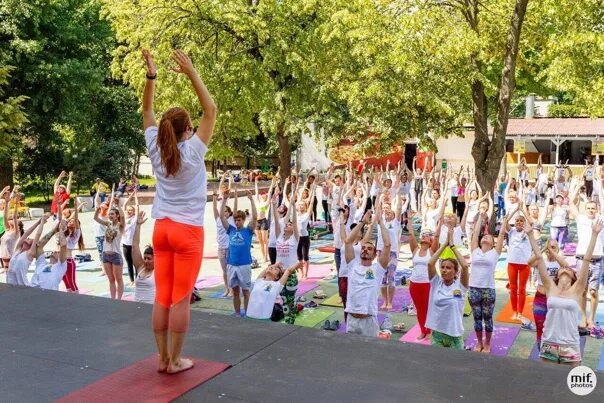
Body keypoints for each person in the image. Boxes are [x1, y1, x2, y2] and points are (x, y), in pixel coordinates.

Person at [142, 48, 217, 374]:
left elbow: (146, 109)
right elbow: (211, 109)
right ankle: (175, 361)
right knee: (181, 297)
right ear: (188, 129)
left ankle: (162, 359)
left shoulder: (156, 149)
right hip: (187, 232)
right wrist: (191, 73)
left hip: (161, 230)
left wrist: (152, 76)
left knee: (163, 294)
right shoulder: (194, 152)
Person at [528, 219, 601, 366]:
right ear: (557, 275)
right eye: (563, 268)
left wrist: (594, 234)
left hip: (571, 344)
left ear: (575, 277)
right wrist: (530, 234)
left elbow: (586, 260)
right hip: (549, 342)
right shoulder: (550, 287)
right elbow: (539, 258)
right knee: (546, 381)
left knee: (572, 385)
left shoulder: (577, 289)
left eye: (569, 269)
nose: (566, 268)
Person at [344, 207, 391, 337]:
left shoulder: (378, 269)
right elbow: (348, 241)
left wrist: (380, 223)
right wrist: (362, 222)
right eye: (363, 248)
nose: (365, 250)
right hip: (352, 320)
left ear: (375, 254)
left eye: (369, 249)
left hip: (368, 321)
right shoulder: (352, 265)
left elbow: (387, 245)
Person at [425, 227, 470, 349]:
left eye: (448, 268)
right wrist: (444, 245)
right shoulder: (436, 283)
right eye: (443, 267)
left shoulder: (460, 286)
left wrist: (453, 246)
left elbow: (465, 266)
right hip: (437, 333)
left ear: (455, 272)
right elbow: (430, 263)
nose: (444, 270)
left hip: (455, 334)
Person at [468, 214, 505, 353]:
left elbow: (501, 235)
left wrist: (506, 220)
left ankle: (487, 343)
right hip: (474, 288)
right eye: (484, 236)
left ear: (493, 243)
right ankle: (479, 342)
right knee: (477, 317)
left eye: (489, 237)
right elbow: (475, 233)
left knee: (487, 318)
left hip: (488, 289)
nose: (485, 237)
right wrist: (479, 220)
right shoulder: (475, 251)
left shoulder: (495, 253)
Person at [220, 190, 257, 317]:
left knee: (246, 291)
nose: (237, 222)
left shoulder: (248, 231)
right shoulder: (230, 230)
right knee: (235, 291)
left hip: (244, 265)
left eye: (239, 220)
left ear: (243, 220)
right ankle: (237, 313)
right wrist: (224, 199)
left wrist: (251, 200)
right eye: (235, 220)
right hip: (231, 265)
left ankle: (247, 313)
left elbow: (255, 218)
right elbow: (221, 217)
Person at [528, 239, 567, 348]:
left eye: (553, 247)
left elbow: (566, 266)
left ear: (558, 249)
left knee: (554, 325)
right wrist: (544, 248)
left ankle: (553, 348)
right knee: (540, 324)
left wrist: (554, 252)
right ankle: (541, 348)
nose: (550, 249)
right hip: (540, 297)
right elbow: (529, 262)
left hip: (554, 298)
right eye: (549, 247)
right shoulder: (541, 260)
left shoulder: (559, 261)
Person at [407, 210, 438, 340]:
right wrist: (409, 220)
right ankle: (422, 330)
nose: (424, 236)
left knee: (428, 308)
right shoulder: (415, 249)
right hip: (414, 283)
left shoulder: (432, 251)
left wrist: (440, 220)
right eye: (423, 234)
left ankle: (430, 331)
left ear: (430, 240)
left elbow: (437, 235)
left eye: (427, 235)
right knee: (419, 309)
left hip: (427, 284)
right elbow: (411, 235)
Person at [272, 189, 300, 324]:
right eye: (287, 224)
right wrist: (273, 205)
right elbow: (277, 222)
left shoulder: (294, 239)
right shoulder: (278, 237)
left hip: (291, 274)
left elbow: (294, 222)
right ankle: (287, 322)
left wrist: (293, 205)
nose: (287, 225)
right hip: (279, 274)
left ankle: (291, 322)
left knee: (291, 300)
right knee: (283, 300)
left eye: (289, 225)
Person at [94, 201, 126, 299]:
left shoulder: (120, 226)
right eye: (109, 214)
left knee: (118, 279)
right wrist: (98, 210)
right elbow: (96, 218)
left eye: (112, 214)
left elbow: (123, 217)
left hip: (116, 255)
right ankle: (113, 299)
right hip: (106, 255)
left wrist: (119, 206)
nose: (110, 215)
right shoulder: (108, 224)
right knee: (111, 279)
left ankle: (119, 299)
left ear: (117, 216)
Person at [504, 209, 532, 322]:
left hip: (525, 264)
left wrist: (523, 210)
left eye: (521, 221)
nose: (519, 222)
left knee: (522, 289)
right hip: (512, 263)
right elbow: (506, 222)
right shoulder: (512, 231)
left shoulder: (528, 231)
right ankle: (514, 310)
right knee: (513, 288)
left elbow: (530, 221)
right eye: (517, 221)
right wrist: (515, 209)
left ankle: (520, 311)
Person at [6, 212, 46, 286]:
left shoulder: (30, 253)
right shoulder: (17, 250)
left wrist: (42, 222)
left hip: (22, 286)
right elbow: (26, 233)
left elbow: (38, 235)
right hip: (10, 284)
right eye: (28, 238)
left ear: (32, 244)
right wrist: (38, 222)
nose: (27, 238)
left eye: (30, 239)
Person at [213, 188, 234, 297]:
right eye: (223, 210)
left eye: (226, 211)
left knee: (230, 270)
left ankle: (232, 289)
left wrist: (233, 196)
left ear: (229, 213)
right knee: (224, 271)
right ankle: (226, 288)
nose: (224, 212)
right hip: (221, 248)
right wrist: (214, 197)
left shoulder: (231, 220)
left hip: (229, 248)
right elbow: (215, 209)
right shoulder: (218, 219)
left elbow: (234, 207)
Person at [132, 209, 155, 304]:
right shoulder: (141, 267)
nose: (146, 261)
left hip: (151, 307)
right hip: (136, 306)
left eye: (149, 259)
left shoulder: (159, 271)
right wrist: (138, 225)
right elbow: (135, 245)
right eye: (145, 258)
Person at [63, 198, 84, 293]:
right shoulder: (66, 232)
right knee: (66, 282)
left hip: (69, 261)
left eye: (73, 222)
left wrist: (76, 207)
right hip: (61, 260)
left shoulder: (76, 234)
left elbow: (75, 218)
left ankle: (77, 300)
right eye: (69, 221)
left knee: (72, 283)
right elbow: (64, 218)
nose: (70, 222)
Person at [0, 189, 23, 271]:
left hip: (11, 258)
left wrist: (16, 203)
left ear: (18, 226)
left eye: (16, 222)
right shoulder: (7, 229)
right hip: (4, 257)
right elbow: (5, 216)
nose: (11, 220)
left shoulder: (16, 233)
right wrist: (6, 203)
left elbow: (14, 217)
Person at [121, 195, 138, 287]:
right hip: (125, 244)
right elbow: (124, 205)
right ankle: (132, 280)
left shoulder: (134, 219)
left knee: (135, 263)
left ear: (134, 212)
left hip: (132, 244)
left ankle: (137, 280)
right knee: (129, 263)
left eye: (131, 210)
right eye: (128, 210)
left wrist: (135, 196)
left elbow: (137, 206)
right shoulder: (125, 218)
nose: (128, 211)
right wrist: (131, 195)